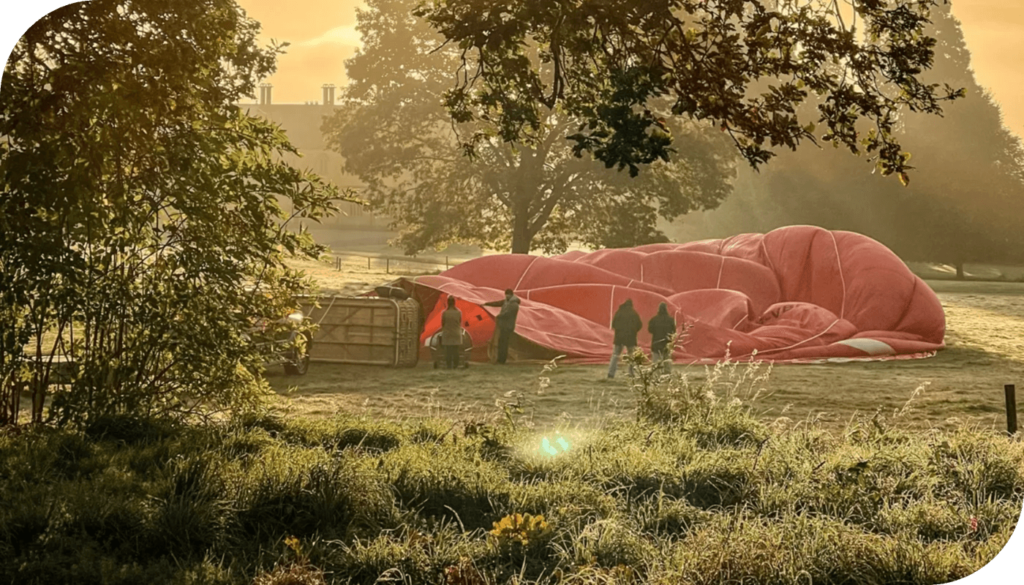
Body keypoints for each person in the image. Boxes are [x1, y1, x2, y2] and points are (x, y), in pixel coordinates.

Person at [484, 288, 520, 364]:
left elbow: (508, 314)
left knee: (504, 343)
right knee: (501, 342)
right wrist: (487, 304)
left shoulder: (514, 304)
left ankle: (502, 360)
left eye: (507, 295)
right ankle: (500, 359)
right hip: (504, 325)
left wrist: (498, 316)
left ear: (510, 295)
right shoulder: (507, 302)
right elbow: (497, 303)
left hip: (508, 326)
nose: (506, 296)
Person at [608, 299, 642, 378]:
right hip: (631, 338)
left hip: (619, 338)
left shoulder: (619, 312)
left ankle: (611, 373)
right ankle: (631, 373)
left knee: (615, 355)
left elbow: (613, 324)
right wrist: (634, 331)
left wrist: (619, 331)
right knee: (631, 356)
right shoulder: (634, 313)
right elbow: (639, 325)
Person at [648, 302, 676, 374]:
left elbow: (650, 329)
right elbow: (674, 330)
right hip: (667, 342)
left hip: (656, 342)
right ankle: (667, 374)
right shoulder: (670, 320)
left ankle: (656, 374)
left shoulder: (654, 319)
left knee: (656, 360)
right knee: (667, 359)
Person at [441, 296, 463, 369]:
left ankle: (449, 365)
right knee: (455, 350)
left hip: (447, 333)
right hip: (456, 333)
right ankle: (455, 365)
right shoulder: (458, 312)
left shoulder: (445, 313)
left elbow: (443, 323)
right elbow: (459, 322)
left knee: (448, 351)